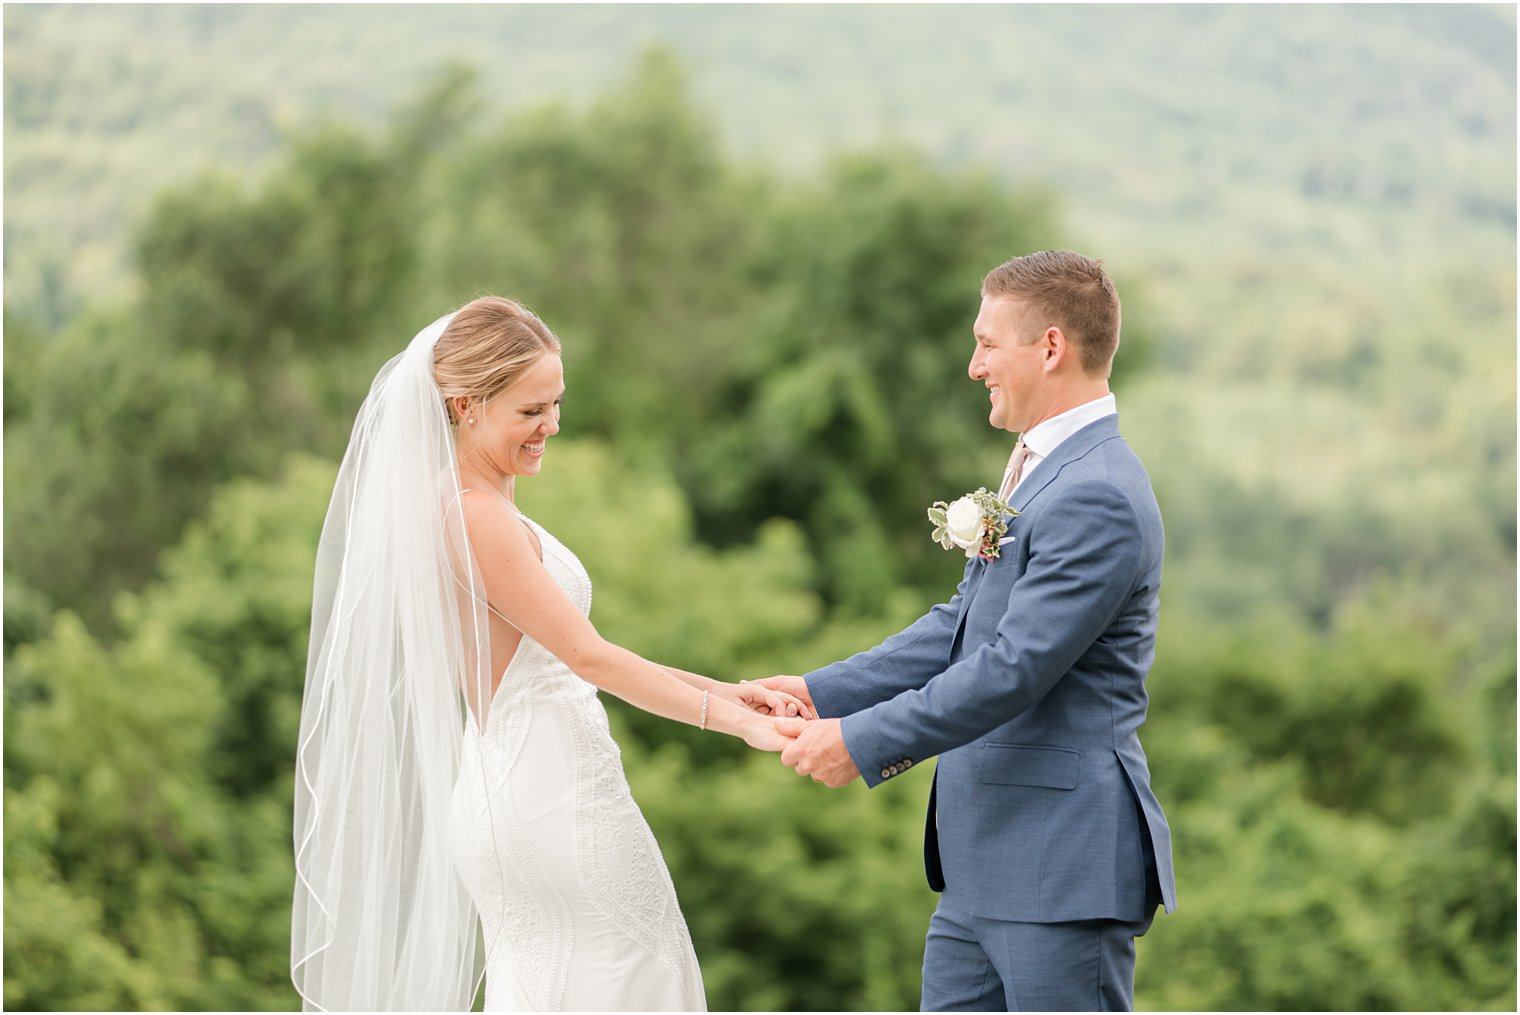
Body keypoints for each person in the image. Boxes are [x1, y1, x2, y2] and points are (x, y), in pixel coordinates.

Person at [292, 296, 806, 1012]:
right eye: (531, 411)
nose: (551, 426)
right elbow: (591, 659)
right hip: (547, 790)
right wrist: (736, 723)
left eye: (556, 403)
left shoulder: (472, 506)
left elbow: (570, 653)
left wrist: (731, 688)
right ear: (466, 405)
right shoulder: (472, 516)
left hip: (529, 780)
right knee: (628, 975)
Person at [762, 251, 1176, 1011]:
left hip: (1059, 865)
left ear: (1050, 347)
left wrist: (862, 739)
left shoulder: (1099, 495)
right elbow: (961, 625)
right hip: (980, 863)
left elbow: (1013, 667)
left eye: (988, 343)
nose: (973, 364)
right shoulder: (1041, 469)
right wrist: (821, 691)